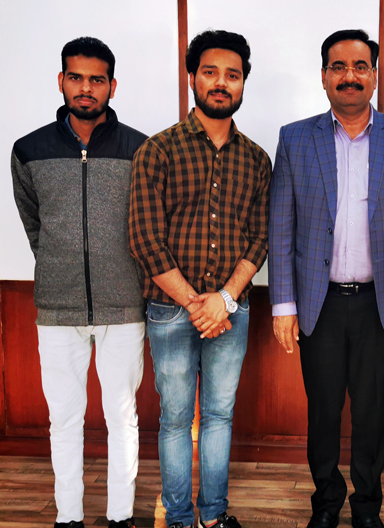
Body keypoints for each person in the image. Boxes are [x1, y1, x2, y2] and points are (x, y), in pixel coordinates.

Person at [269, 29, 384, 528]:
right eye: (338, 67)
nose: (349, 76)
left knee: (369, 413)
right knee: (322, 411)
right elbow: (282, 224)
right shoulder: (295, 138)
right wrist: (283, 304)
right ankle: (325, 504)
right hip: (317, 301)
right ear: (324, 76)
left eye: (360, 66)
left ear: (374, 75)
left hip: (379, 302)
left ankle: (367, 507)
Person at [129, 29, 271, 528]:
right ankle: (179, 518)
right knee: (174, 419)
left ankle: (213, 515)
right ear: (192, 77)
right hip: (170, 311)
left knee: (219, 415)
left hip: (231, 311)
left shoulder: (256, 159)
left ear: (243, 83)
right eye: (210, 72)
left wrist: (225, 299)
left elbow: (260, 236)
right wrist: (197, 303)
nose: (221, 83)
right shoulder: (158, 150)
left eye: (233, 75)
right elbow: (145, 239)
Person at [11, 37, 146, 528]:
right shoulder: (29, 150)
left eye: (96, 79)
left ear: (112, 85)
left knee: (122, 418)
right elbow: (35, 225)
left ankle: (120, 517)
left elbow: (146, 224)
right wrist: (58, 263)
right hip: (58, 307)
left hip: (123, 304)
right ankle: (67, 518)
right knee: (63, 419)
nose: (85, 88)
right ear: (61, 81)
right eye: (76, 77)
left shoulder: (140, 148)